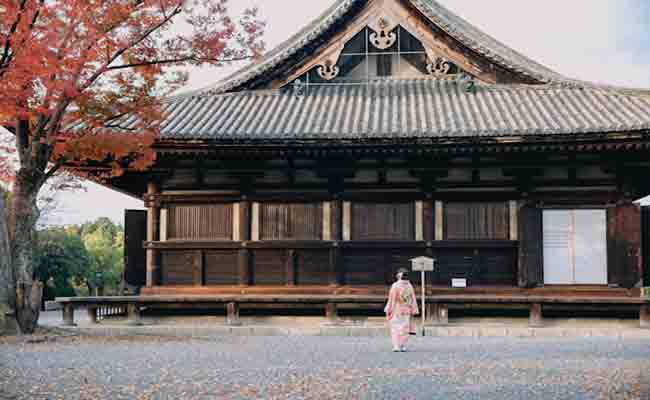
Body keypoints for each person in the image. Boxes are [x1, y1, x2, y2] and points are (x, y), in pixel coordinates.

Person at [384, 268, 419, 352]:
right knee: (405, 327)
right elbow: (412, 298)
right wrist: (414, 309)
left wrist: (388, 309)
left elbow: (392, 298)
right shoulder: (410, 286)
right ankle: (402, 345)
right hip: (407, 309)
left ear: (399, 276)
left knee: (396, 327)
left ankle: (396, 345)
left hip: (397, 309)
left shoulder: (395, 285)